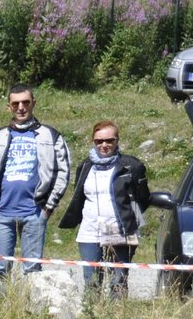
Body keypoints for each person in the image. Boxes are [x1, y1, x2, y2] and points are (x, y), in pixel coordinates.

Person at [0, 83, 70, 289]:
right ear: (8, 106)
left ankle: (32, 315)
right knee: (1, 269)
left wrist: (48, 207)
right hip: (0, 213)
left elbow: (63, 172)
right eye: (15, 103)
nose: (21, 107)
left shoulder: (51, 135)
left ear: (33, 103)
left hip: (35, 213)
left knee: (33, 270)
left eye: (25, 102)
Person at [58, 120, 151, 300]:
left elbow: (143, 198)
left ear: (117, 141)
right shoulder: (85, 166)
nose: (104, 145)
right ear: (93, 141)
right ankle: (92, 318)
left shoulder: (131, 166)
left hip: (120, 229)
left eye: (109, 140)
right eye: (99, 141)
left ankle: (116, 318)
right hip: (90, 230)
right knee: (91, 279)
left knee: (118, 279)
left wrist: (130, 218)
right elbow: (79, 195)